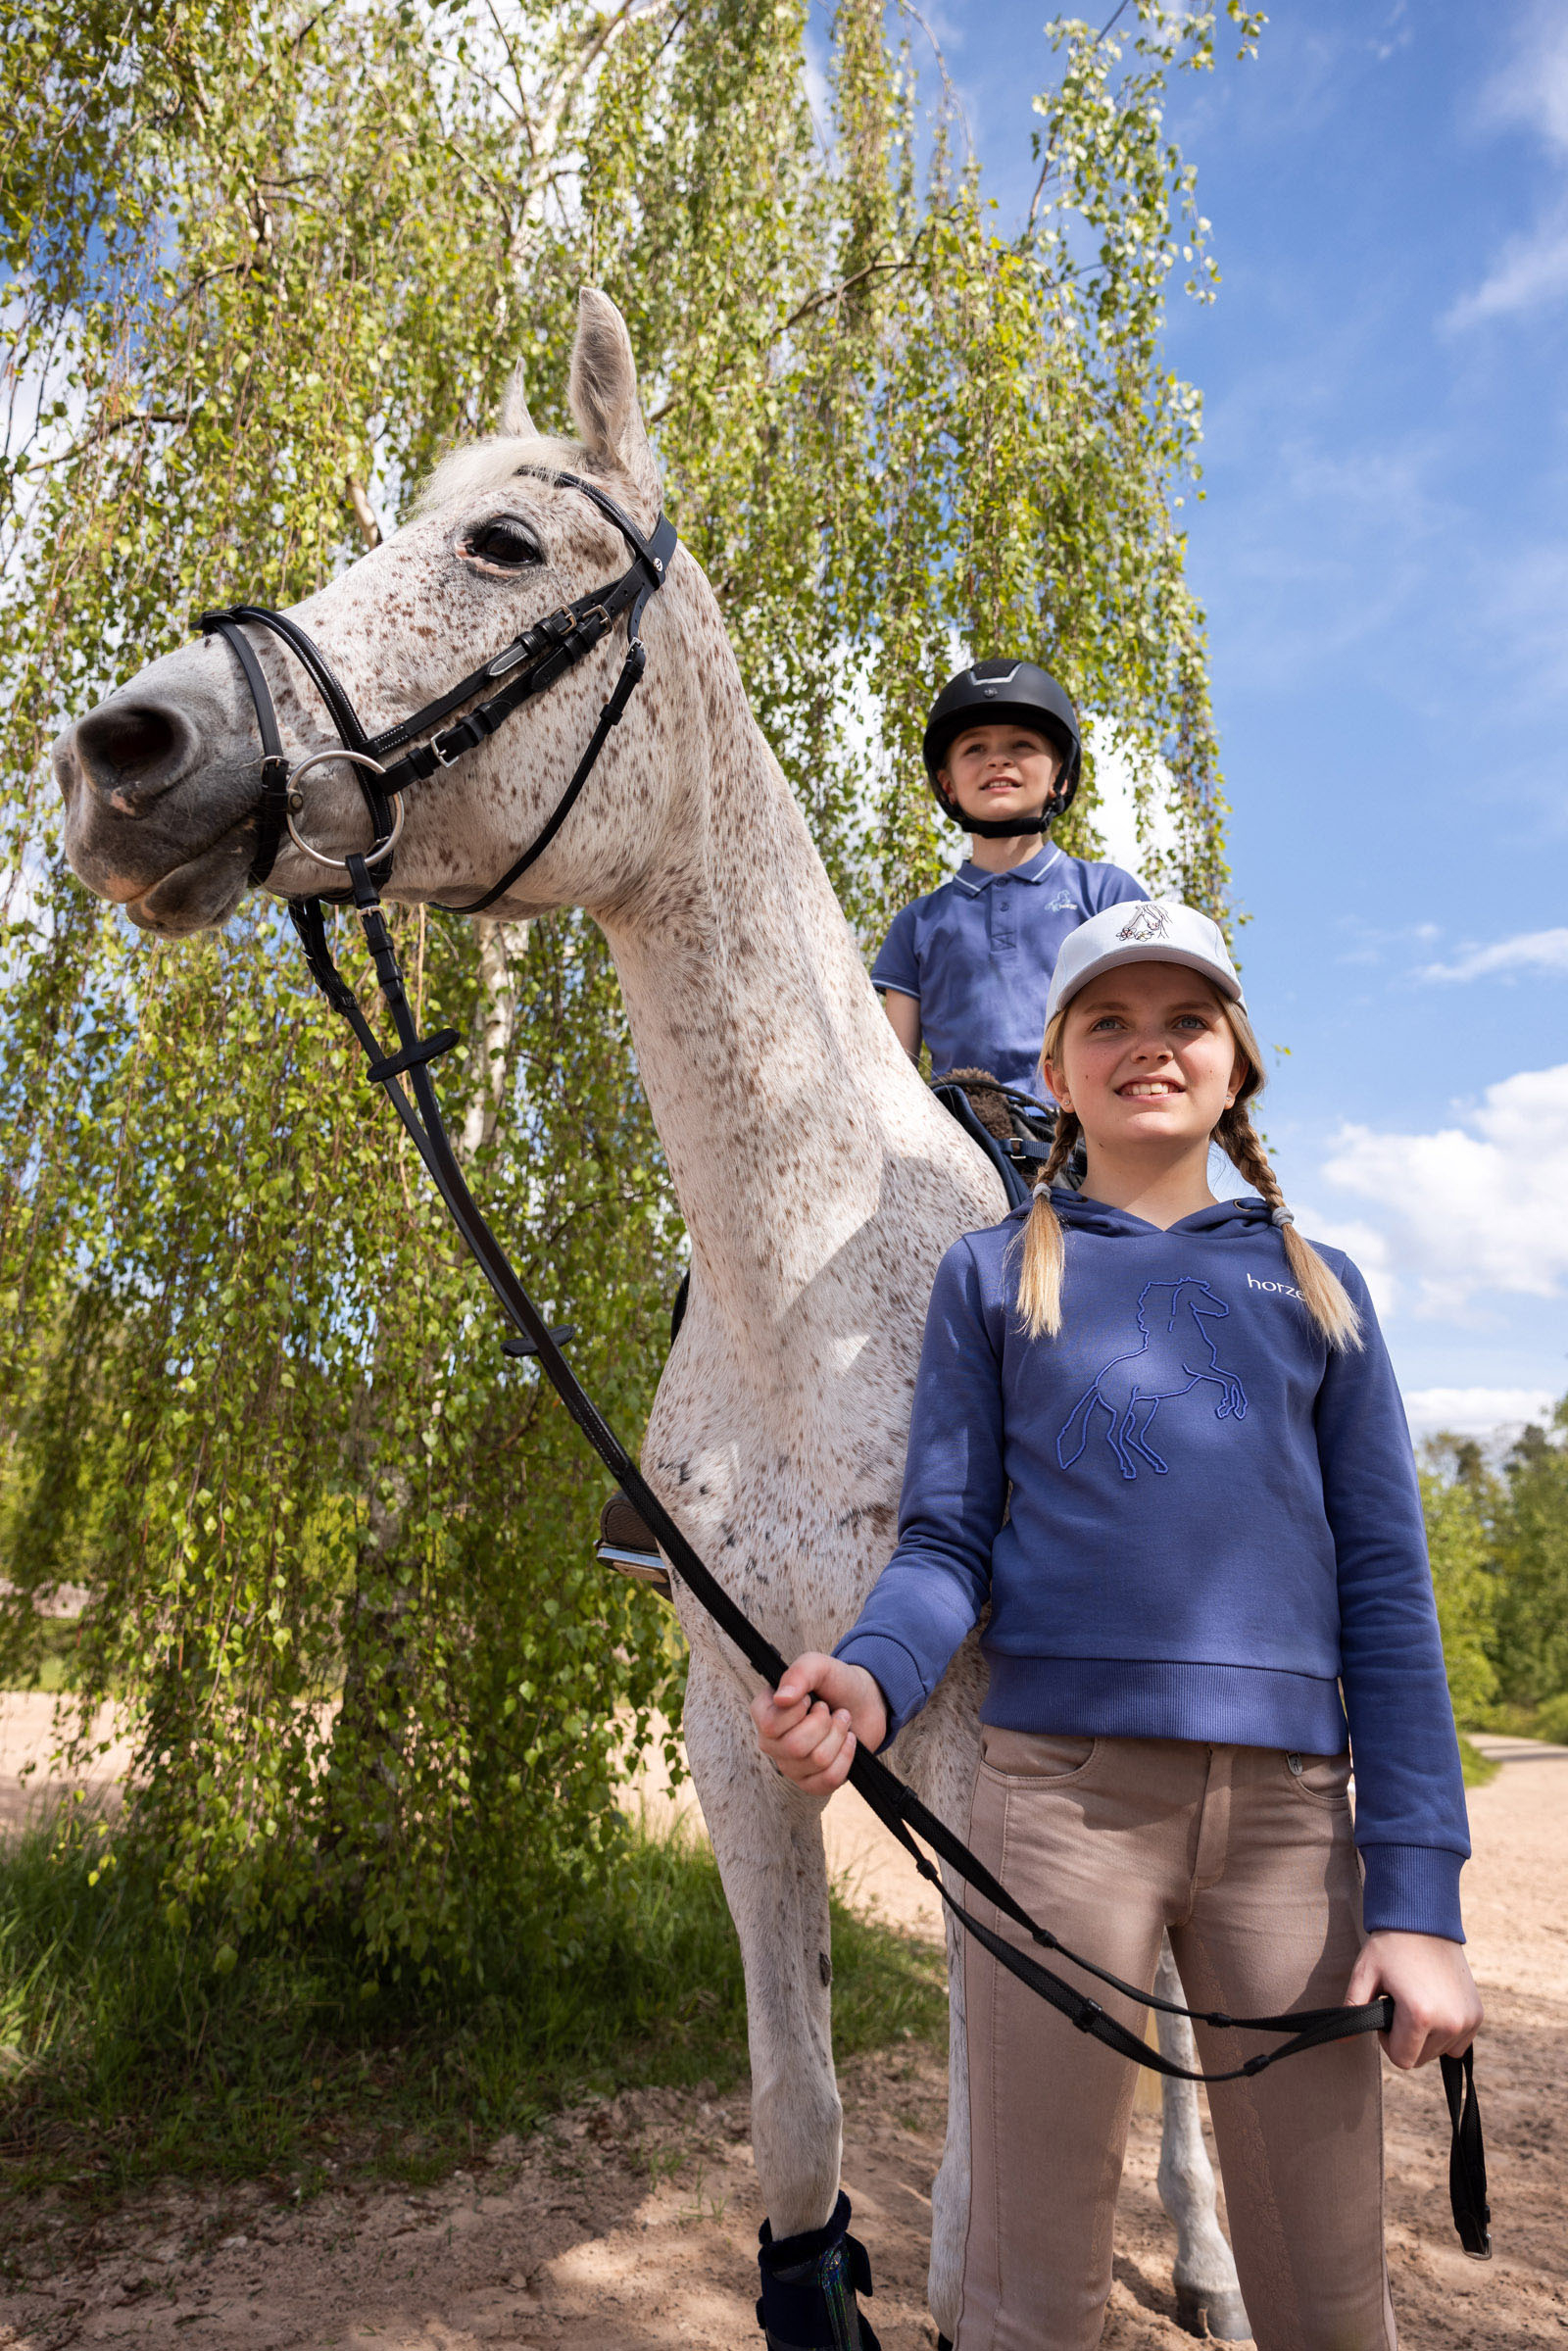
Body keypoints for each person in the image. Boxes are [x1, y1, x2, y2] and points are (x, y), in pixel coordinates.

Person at [754, 899, 1482, 2351]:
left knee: (1336, 2304)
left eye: (1186, 1021)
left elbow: (1390, 1599)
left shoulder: (1317, 1287)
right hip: (1058, 1818)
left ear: (1236, 1066)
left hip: (1291, 1837)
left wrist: (1418, 1903)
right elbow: (946, 1545)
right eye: (1110, 1022)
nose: (1149, 1046)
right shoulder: (987, 1275)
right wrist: (872, 1678)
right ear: (1060, 1070)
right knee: (1029, 2303)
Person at [872, 661, 1146, 1095]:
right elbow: (891, 1077)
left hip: (1081, 1140)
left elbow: (1146, 1020)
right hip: (957, 1138)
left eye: (1021, 745)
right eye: (974, 748)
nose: (998, 759)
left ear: (1059, 775)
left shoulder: (1107, 894)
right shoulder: (917, 923)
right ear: (947, 784)